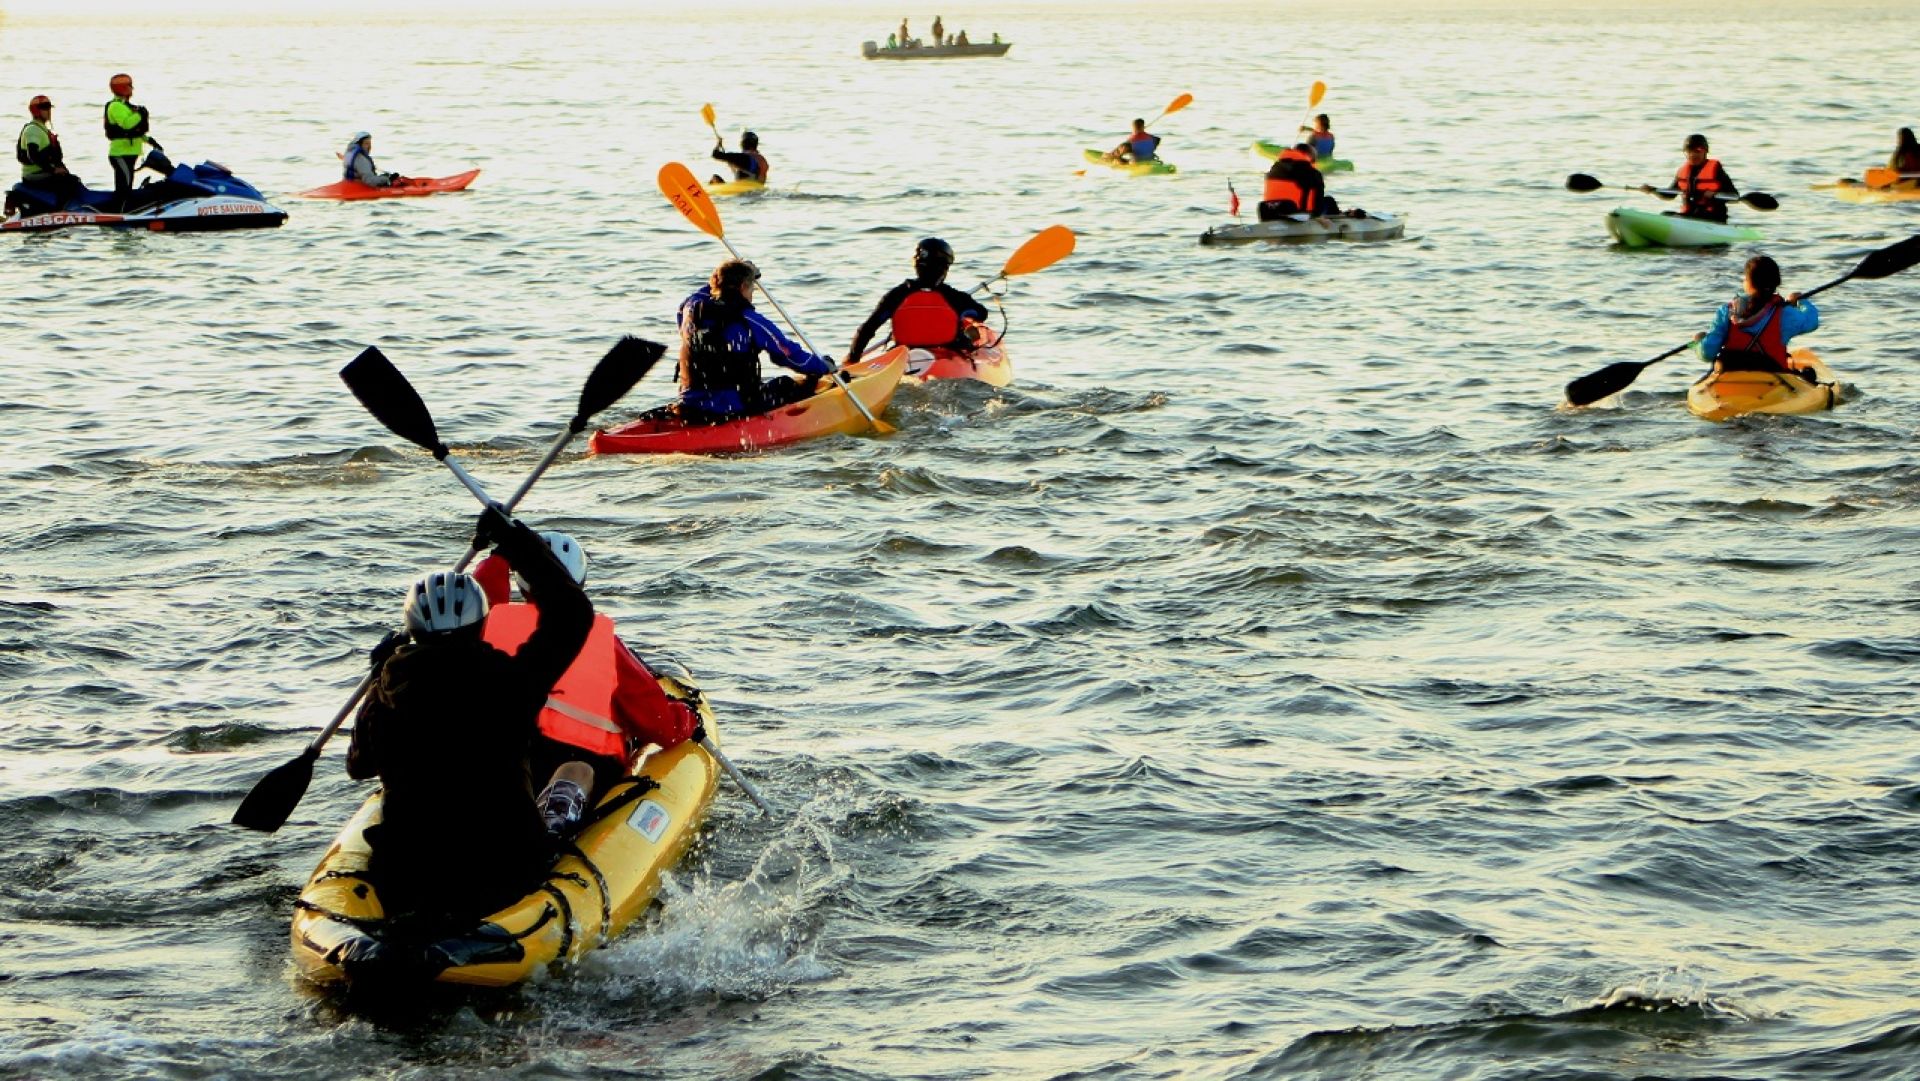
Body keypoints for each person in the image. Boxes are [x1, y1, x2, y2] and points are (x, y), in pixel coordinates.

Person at [346, 505, 593, 920]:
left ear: (413, 630)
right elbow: (571, 614)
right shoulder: (514, 684)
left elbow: (358, 765)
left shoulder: (388, 693)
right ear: (481, 624)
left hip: (410, 877)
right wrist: (515, 541)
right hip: (507, 868)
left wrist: (377, 676)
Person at [472, 533, 698, 834]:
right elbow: (659, 724)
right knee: (578, 770)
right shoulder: (601, 643)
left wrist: (498, 558)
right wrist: (687, 718)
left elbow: (482, 594)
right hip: (580, 761)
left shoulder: (489, 624)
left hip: (509, 756)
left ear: (522, 583)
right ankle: (556, 821)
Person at [672, 259, 833, 421]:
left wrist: (727, 276)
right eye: (752, 289)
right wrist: (822, 366)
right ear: (743, 286)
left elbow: (700, 294)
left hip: (689, 406)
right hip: (731, 409)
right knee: (785, 385)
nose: (751, 296)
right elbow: (788, 355)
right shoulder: (749, 320)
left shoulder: (690, 310)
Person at [846, 237, 990, 361]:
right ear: (944, 267)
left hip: (905, 359)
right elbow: (981, 313)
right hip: (946, 358)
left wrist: (853, 358)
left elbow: (867, 329)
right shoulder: (955, 297)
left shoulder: (896, 295)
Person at [1694, 255, 1820, 378]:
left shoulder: (1726, 312)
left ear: (1749, 283)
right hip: (1772, 378)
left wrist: (1698, 343)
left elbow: (1707, 353)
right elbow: (1811, 321)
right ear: (1776, 282)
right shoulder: (1785, 313)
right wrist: (1801, 301)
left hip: (1731, 376)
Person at [1642, 133, 1735, 222]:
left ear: (1705, 151)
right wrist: (1652, 190)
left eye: (1697, 151)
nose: (1692, 155)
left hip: (1713, 218)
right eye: (1689, 151)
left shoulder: (1717, 171)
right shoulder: (1682, 172)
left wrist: (1716, 194)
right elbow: (1670, 195)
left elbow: (1734, 195)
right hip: (1689, 216)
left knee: (1684, 216)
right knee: (1665, 214)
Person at [16, 95, 84, 208]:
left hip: (44, 172)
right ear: (36, 110)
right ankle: (59, 210)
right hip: (33, 175)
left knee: (73, 180)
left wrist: (62, 169)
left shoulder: (43, 130)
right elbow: (33, 155)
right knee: (68, 182)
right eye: (44, 108)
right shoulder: (32, 130)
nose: (48, 111)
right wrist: (53, 170)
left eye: (49, 108)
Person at [102, 73, 150, 205]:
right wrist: (140, 114)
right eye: (129, 86)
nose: (132, 88)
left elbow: (134, 132)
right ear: (122, 88)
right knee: (124, 187)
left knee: (127, 184)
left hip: (130, 153)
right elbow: (127, 124)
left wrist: (149, 140)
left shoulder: (126, 106)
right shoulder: (115, 106)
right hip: (120, 154)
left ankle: (125, 207)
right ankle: (121, 210)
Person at [1258, 143, 1340, 220]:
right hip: (1297, 215)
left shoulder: (1274, 168)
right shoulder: (1312, 172)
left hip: (1268, 212)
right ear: (1309, 156)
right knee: (1329, 201)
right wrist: (1318, 217)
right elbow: (1318, 203)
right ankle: (1340, 222)